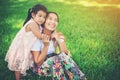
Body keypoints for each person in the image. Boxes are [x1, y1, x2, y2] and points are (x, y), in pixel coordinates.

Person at [31, 12, 87, 80]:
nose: (53, 22)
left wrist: (58, 39)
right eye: (50, 19)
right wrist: (46, 46)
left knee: (61, 57)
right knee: (56, 59)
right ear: (44, 21)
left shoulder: (58, 35)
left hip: (55, 63)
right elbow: (38, 63)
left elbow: (66, 54)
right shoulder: (37, 38)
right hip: (41, 68)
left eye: (56, 20)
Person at [5, 4, 47, 80]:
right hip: (21, 46)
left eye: (44, 17)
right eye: (40, 16)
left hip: (27, 45)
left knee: (25, 60)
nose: (42, 19)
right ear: (33, 15)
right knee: (19, 63)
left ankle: (23, 73)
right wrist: (49, 36)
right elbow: (40, 36)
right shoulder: (32, 24)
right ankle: (18, 78)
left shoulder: (37, 23)